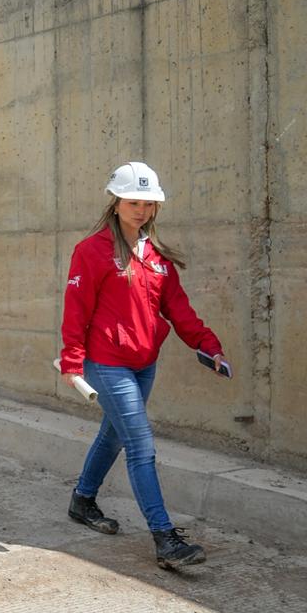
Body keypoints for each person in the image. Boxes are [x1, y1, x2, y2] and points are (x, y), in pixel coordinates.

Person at [59, 161, 229, 570]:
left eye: (148, 203)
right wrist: (72, 361)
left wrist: (208, 346)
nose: (141, 209)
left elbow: (179, 310)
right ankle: (165, 538)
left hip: (143, 363)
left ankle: (82, 500)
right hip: (106, 362)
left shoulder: (156, 258)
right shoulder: (92, 251)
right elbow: (76, 309)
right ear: (116, 202)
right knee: (140, 445)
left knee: (113, 435)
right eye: (133, 201)